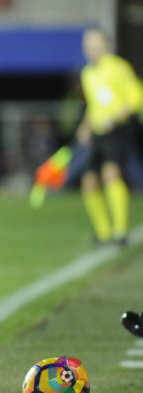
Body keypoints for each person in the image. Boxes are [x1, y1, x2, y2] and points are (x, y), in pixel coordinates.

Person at [76, 28, 142, 246]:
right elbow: (94, 106)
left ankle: (120, 231)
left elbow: (135, 98)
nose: (91, 49)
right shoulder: (88, 73)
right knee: (89, 182)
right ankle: (103, 233)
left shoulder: (119, 68)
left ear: (105, 45)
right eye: (88, 45)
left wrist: (114, 118)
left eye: (95, 44)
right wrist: (85, 126)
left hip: (117, 131)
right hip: (98, 133)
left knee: (111, 173)